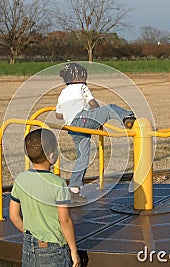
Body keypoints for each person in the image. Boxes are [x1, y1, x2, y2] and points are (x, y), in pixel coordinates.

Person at [55, 62, 136, 202]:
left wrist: (71, 112)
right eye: (83, 75)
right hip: (83, 119)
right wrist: (96, 112)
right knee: (110, 108)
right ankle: (128, 118)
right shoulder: (82, 87)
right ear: (77, 78)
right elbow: (93, 104)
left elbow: (58, 115)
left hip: (72, 127)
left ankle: (74, 189)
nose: (85, 78)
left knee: (83, 157)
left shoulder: (62, 93)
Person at [9, 128, 81, 267]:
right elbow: (64, 220)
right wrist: (73, 251)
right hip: (54, 249)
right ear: (52, 155)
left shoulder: (20, 179)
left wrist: (33, 233)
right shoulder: (58, 184)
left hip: (29, 246)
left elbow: (14, 215)